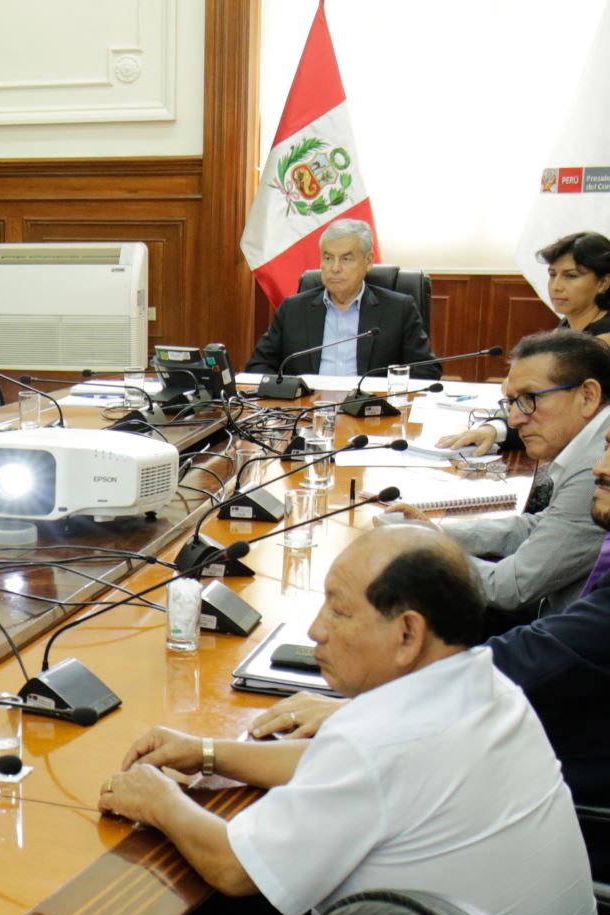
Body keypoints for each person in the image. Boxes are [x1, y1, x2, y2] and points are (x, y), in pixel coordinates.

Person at [98, 525, 595, 915]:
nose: (316, 629)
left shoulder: (378, 742)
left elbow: (233, 869)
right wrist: (209, 753)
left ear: (408, 635)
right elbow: (348, 770)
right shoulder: (485, 686)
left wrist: (159, 800)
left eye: (338, 611)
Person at [256, 413, 610, 822]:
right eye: (604, 447)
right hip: (556, 736)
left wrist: (373, 709)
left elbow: (536, 656)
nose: (599, 468)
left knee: (343, 803)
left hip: (569, 790)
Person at [393, 329, 610, 619]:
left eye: (529, 398)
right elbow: (541, 527)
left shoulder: (594, 468)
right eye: (511, 402)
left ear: (588, 396)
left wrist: (428, 552)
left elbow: (509, 588)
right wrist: (438, 535)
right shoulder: (594, 442)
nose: (515, 419)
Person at [244, 219, 439, 378]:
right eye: (328, 258)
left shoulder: (398, 310)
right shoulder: (292, 310)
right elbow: (257, 367)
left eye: (346, 259)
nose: (335, 268)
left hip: (371, 416)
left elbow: (426, 372)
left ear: (368, 261)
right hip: (306, 414)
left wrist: (383, 391)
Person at [539, 230, 610, 339]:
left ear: (604, 283)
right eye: (552, 275)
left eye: (571, 276)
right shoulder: (564, 327)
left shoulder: (605, 338)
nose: (556, 287)